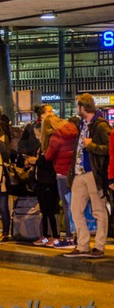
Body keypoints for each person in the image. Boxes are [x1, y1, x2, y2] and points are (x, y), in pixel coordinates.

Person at [64, 93, 110, 258]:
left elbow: (109, 149)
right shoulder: (82, 125)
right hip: (79, 173)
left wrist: (92, 146)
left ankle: (99, 246)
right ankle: (82, 245)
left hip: (93, 174)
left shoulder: (101, 126)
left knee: (99, 210)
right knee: (75, 210)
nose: (76, 109)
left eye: (77, 106)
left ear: (83, 107)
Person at [44, 115, 79, 249]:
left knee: (66, 205)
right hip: (75, 172)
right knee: (76, 205)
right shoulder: (77, 131)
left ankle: (69, 237)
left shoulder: (57, 135)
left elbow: (48, 155)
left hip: (62, 174)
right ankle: (77, 236)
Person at [27, 121, 60, 247]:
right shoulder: (40, 147)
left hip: (49, 182)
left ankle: (55, 236)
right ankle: (45, 236)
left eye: (37, 134)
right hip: (40, 181)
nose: (36, 137)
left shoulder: (49, 146)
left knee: (50, 210)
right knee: (44, 211)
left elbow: (49, 163)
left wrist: (36, 161)